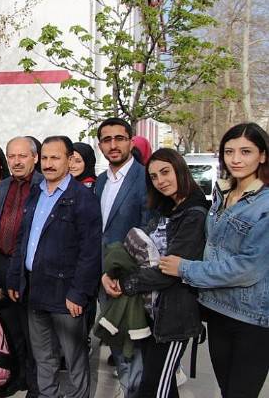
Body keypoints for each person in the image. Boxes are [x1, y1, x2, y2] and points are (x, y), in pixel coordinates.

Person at [159, 123, 269, 398]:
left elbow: (249, 268)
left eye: (246, 151)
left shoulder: (264, 205)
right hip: (216, 311)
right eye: (229, 151)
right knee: (226, 390)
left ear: (263, 156)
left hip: (251, 319)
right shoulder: (223, 195)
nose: (236, 159)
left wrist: (185, 268)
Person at [101, 148, 208, 398]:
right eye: (154, 177)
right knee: (163, 386)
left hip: (174, 318)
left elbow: (169, 272)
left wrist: (126, 283)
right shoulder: (165, 209)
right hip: (153, 313)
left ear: (179, 170)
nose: (161, 181)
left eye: (165, 172)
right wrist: (112, 273)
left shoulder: (194, 213)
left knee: (153, 389)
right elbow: (138, 252)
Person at [8, 136, 102, 398]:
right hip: (35, 291)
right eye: (45, 158)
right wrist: (16, 278)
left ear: (70, 160)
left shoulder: (82, 199)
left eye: (55, 158)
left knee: (74, 361)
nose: (49, 164)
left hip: (66, 296)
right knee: (44, 359)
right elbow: (23, 239)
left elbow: (91, 252)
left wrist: (79, 293)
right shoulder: (36, 192)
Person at [96, 117, 150, 398]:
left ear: (130, 140)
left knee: (133, 354)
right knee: (118, 350)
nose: (113, 145)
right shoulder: (102, 181)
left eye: (119, 138)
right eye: (107, 140)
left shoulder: (145, 178)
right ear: (100, 145)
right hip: (104, 279)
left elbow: (147, 232)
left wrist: (123, 275)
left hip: (129, 282)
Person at [0, 136, 41, 396]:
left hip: (30, 269)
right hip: (2, 266)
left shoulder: (43, 186)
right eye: (12, 156)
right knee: (8, 327)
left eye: (22, 156)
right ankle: (15, 376)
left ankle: (35, 382)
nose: (16, 162)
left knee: (33, 331)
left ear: (34, 158)